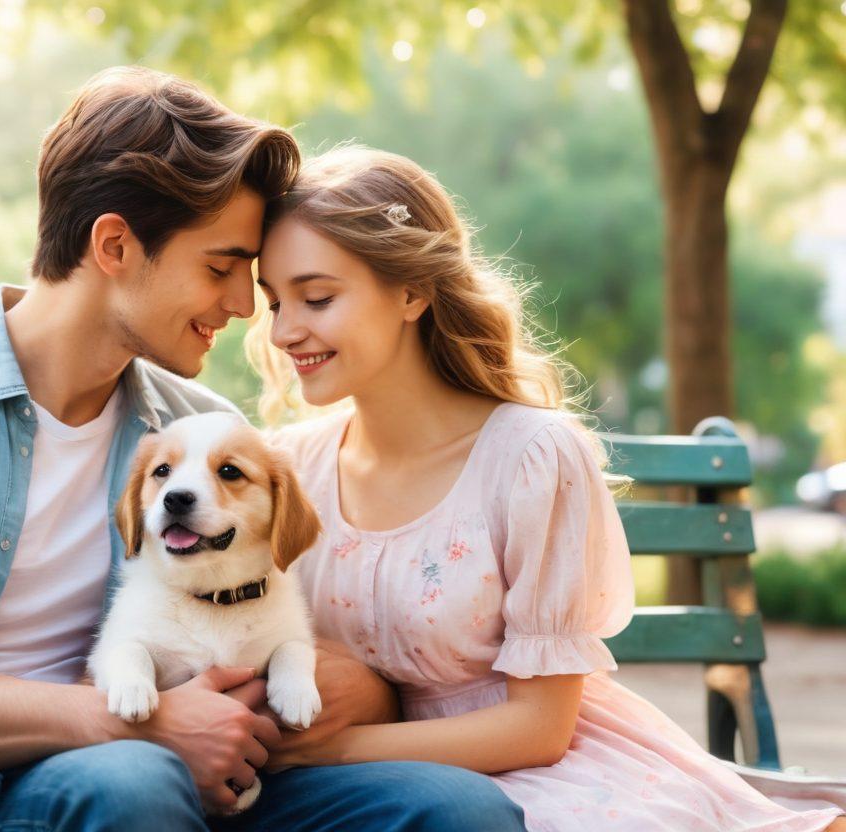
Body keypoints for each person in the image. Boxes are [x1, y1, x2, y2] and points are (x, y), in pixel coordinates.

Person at [0, 69, 526, 831]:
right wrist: (139, 722)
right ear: (116, 245)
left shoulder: (200, 430)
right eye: (221, 267)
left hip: (166, 765)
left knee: (458, 812)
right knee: (115, 782)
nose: (243, 305)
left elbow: (282, 633)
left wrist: (334, 689)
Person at [248, 144, 846, 831]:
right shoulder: (288, 467)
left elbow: (539, 730)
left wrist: (335, 750)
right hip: (370, 791)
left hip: (535, 774)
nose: (285, 331)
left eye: (317, 298)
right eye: (275, 302)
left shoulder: (530, 458)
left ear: (411, 292)